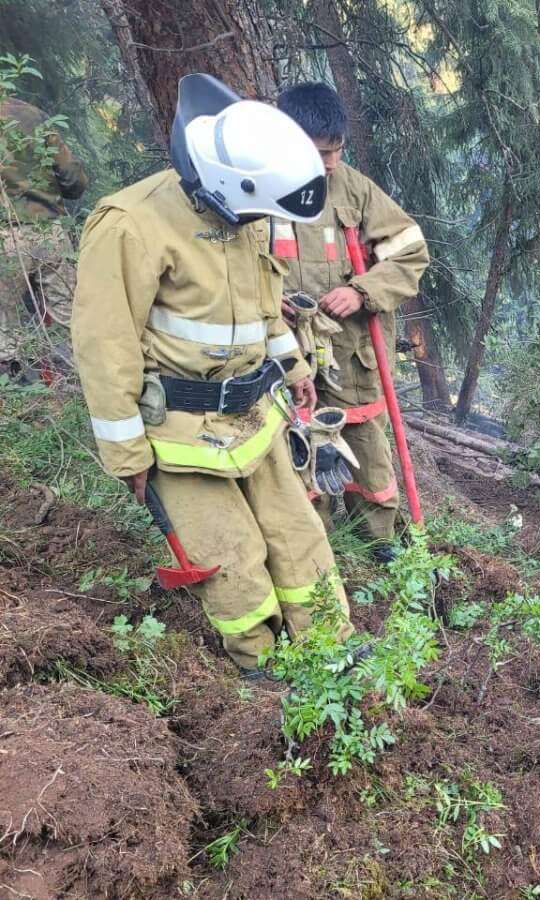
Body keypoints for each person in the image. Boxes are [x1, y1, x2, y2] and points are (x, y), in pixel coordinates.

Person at [71, 74, 355, 679]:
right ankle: (263, 669)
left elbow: (263, 301)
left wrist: (293, 364)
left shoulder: (244, 211)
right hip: (179, 432)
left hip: (255, 414)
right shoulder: (130, 226)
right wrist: (126, 454)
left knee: (298, 536)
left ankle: (330, 649)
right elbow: (104, 345)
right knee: (232, 558)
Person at [273, 82, 430, 563]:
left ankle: (378, 543)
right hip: (281, 353)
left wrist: (362, 291)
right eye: (322, 153)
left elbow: (410, 254)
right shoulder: (254, 186)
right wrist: (265, 299)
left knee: (366, 446)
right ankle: (319, 550)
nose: (330, 164)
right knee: (291, 443)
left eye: (337, 151)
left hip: (350, 354)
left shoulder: (354, 189)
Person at [0, 95, 88, 379]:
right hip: (50, 232)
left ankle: (16, 404)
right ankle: (80, 390)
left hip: (5, 237)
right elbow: (74, 179)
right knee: (69, 318)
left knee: (5, 330)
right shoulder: (31, 114)